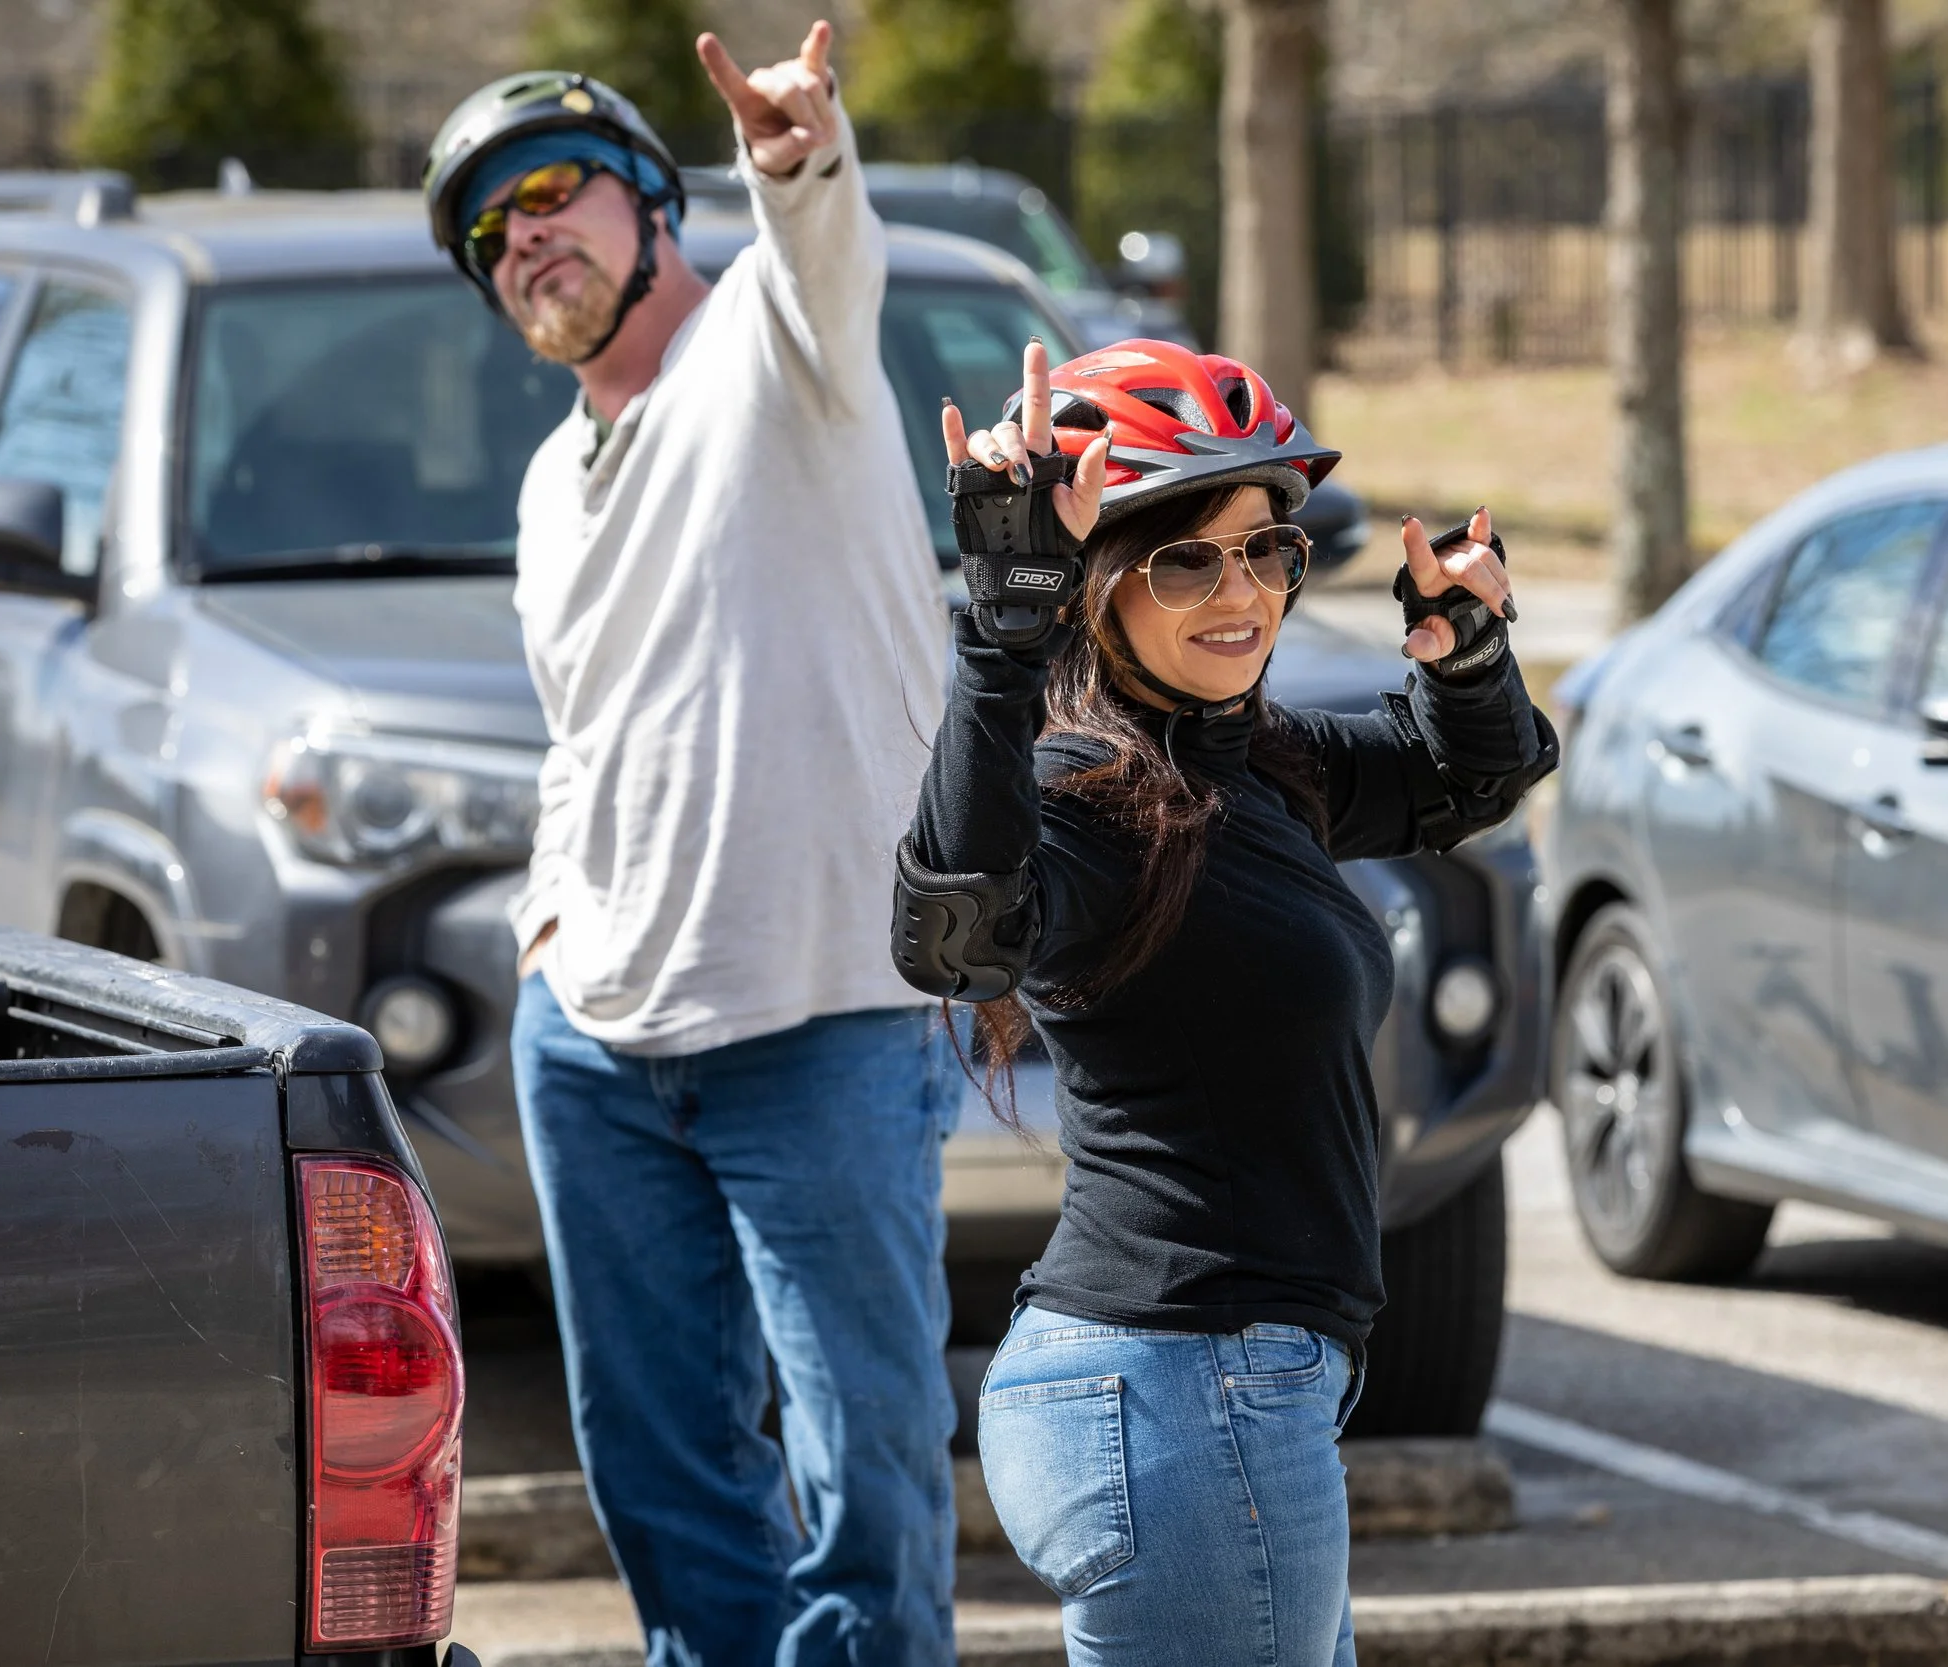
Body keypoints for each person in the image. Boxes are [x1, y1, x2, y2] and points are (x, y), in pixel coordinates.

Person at [421, 24, 959, 1667]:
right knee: (658, 1472)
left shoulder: (779, 355)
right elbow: (591, 732)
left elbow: (821, 254)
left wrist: (802, 161)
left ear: (659, 203)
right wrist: (550, 933)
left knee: (863, 1466)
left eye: (555, 192)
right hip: (596, 1043)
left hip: (824, 1019)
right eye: (491, 232)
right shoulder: (547, 484)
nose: (525, 237)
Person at [894, 337, 1558, 1667]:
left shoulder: (1254, 764)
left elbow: (1459, 779)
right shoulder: (1086, 798)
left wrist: (1468, 652)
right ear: (1093, 586)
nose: (1242, 592)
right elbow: (957, 923)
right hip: (1183, 1388)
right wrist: (1000, 622)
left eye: (1269, 548)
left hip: (1210, 1392)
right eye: (1187, 558)